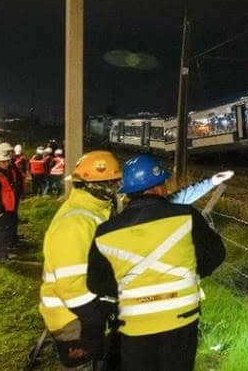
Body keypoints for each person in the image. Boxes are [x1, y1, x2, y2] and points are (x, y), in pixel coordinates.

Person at [87, 154, 225, 370]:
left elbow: (96, 283)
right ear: (160, 187)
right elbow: (216, 255)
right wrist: (191, 273)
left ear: (128, 193)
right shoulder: (186, 216)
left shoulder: (105, 233)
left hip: (134, 326)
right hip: (181, 320)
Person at [40, 150, 123, 371]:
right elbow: (71, 286)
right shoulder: (76, 223)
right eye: (112, 182)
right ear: (94, 186)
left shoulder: (95, 211)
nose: (117, 187)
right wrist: (96, 318)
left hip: (82, 313)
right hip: (73, 318)